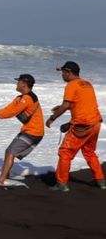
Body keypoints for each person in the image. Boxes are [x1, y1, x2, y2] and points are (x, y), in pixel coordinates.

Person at [0, 74, 45, 185]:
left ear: (24, 84)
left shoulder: (27, 99)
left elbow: (12, 112)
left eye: (18, 82)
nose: (16, 84)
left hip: (34, 132)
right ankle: (5, 176)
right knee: (9, 151)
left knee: (10, 152)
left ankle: (1, 179)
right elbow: (7, 109)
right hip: (29, 130)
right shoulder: (20, 98)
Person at [46, 61, 105, 191]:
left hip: (82, 126)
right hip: (96, 123)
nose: (62, 75)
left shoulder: (71, 85)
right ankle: (100, 181)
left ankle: (61, 183)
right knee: (90, 152)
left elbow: (67, 104)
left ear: (68, 72)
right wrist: (64, 108)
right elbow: (80, 103)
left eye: (63, 72)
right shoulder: (87, 84)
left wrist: (52, 118)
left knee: (65, 152)